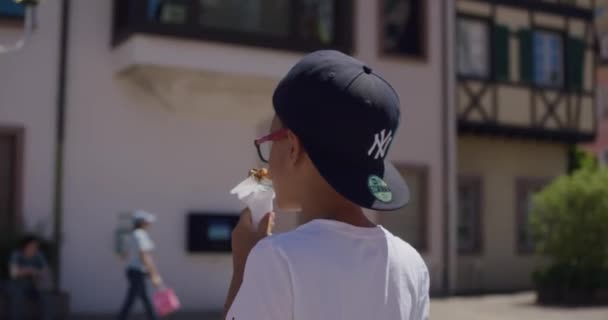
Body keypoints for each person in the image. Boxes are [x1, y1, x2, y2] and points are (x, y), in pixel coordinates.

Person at [224, 50, 430, 320]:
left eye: (270, 141)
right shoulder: (411, 264)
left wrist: (243, 266)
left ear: (293, 147)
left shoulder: (277, 259)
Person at [117, 210, 163, 320]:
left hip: (132, 271)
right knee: (132, 299)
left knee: (144, 298)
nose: (150, 224)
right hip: (138, 272)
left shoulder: (131, 235)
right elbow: (144, 256)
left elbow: (123, 255)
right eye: (148, 222)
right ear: (142, 222)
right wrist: (154, 274)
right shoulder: (141, 235)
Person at [8, 235, 51, 320]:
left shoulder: (38, 255)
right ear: (26, 246)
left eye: (36, 246)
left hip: (34, 284)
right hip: (17, 284)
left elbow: (46, 271)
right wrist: (31, 270)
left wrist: (33, 272)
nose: (35, 248)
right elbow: (14, 273)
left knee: (46, 297)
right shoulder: (17, 254)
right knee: (17, 296)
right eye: (33, 245)